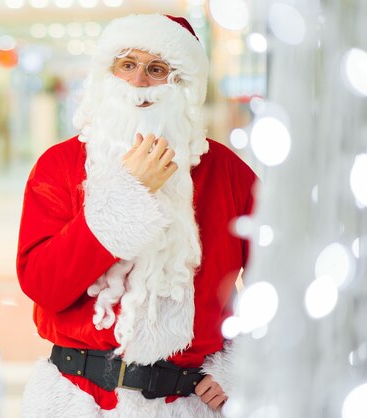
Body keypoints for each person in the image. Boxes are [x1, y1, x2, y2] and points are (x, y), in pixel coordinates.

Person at [16, 13, 257, 418]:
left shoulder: (228, 172)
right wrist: (129, 196)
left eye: (156, 69)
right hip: (77, 399)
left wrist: (246, 365)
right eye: (126, 65)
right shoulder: (59, 165)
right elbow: (44, 285)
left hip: (187, 402)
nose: (139, 82)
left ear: (180, 83)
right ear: (107, 74)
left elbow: (285, 284)